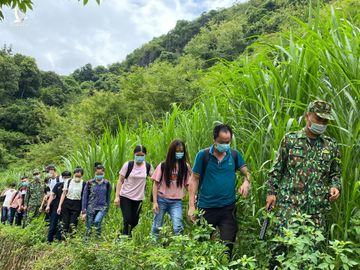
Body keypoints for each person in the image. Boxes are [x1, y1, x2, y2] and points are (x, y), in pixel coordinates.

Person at [266, 100, 341, 230]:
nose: (321, 123)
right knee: (284, 247)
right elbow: (277, 170)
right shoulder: (290, 140)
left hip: (316, 211)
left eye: (325, 121)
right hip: (289, 207)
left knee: (314, 249)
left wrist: (335, 187)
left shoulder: (331, 145)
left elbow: (335, 173)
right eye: (318, 119)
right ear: (307, 116)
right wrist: (271, 193)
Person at [187, 124, 251, 257]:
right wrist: (191, 206)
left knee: (227, 247)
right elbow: (194, 180)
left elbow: (247, 173)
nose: (225, 145)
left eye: (228, 142)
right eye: (222, 142)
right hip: (206, 209)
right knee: (202, 248)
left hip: (227, 209)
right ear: (214, 140)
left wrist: (246, 182)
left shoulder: (234, 155)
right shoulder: (203, 156)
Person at [151, 139, 191, 240]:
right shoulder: (163, 165)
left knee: (178, 227)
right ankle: (153, 246)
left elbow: (188, 185)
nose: (179, 153)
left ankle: (179, 249)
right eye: (177, 151)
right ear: (172, 151)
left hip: (176, 201)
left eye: (181, 151)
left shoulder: (185, 167)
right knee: (157, 226)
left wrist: (193, 197)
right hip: (161, 199)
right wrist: (155, 202)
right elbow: (155, 184)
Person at [115, 145, 153, 236]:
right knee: (127, 219)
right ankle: (126, 238)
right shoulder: (128, 165)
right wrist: (117, 197)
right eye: (137, 154)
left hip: (139, 198)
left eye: (142, 155)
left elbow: (155, 178)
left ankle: (122, 233)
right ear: (134, 154)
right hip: (125, 196)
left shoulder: (148, 166)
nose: (139, 157)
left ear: (145, 155)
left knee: (135, 221)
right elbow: (120, 181)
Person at [82, 163, 112, 239]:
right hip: (91, 207)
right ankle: (86, 242)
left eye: (101, 173)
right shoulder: (90, 183)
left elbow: (108, 196)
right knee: (89, 226)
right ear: (95, 173)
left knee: (97, 221)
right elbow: (85, 197)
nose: (99, 175)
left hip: (102, 207)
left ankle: (97, 239)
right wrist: (84, 211)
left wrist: (107, 207)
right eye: (97, 173)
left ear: (103, 173)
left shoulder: (107, 183)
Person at [57, 167, 86, 236]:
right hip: (67, 203)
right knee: (65, 222)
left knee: (73, 223)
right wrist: (59, 206)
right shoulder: (68, 181)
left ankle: (71, 239)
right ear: (74, 174)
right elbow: (64, 194)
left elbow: (84, 197)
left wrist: (83, 210)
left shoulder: (84, 183)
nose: (77, 177)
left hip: (77, 204)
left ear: (82, 176)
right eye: (76, 175)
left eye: (79, 176)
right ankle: (63, 239)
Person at [45, 171, 71, 243]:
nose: (66, 179)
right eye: (65, 178)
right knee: (53, 224)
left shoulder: (71, 186)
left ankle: (58, 240)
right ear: (62, 178)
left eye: (68, 178)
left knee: (62, 225)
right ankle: (49, 240)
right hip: (55, 207)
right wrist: (48, 205)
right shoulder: (58, 185)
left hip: (66, 208)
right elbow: (52, 195)